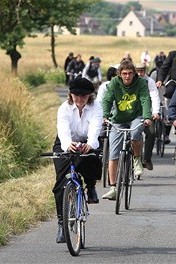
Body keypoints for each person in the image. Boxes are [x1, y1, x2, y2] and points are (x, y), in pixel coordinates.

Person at [52, 77, 103, 243]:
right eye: (76, 95)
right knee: (60, 183)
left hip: (88, 141)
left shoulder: (96, 107)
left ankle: (91, 185)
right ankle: (62, 224)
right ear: (70, 95)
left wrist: (90, 144)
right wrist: (68, 145)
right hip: (66, 141)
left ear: (90, 96)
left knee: (90, 159)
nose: (80, 99)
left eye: (84, 96)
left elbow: (95, 128)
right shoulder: (64, 108)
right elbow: (63, 130)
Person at [101, 60, 152, 200]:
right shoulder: (114, 83)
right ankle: (113, 187)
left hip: (136, 116)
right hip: (118, 119)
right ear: (119, 74)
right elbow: (107, 100)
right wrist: (105, 116)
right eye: (124, 74)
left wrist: (147, 117)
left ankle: (136, 159)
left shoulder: (141, 83)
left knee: (136, 133)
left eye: (130, 73)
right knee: (113, 153)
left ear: (134, 73)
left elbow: (145, 99)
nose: (127, 76)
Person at [135, 62, 161, 171]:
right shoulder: (130, 80)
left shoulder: (149, 81)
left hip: (147, 113)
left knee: (151, 132)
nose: (140, 73)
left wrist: (155, 112)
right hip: (132, 113)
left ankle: (147, 158)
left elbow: (154, 96)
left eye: (142, 71)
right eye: (138, 71)